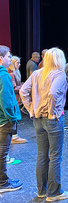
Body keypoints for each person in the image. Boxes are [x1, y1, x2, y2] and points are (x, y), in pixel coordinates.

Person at [20, 47, 68, 201]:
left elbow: (23, 91)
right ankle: (54, 193)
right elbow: (53, 93)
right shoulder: (59, 74)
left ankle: (41, 191)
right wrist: (53, 111)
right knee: (55, 156)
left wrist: (31, 109)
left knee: (42, 155)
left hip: (37, 119)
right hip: (52, 120)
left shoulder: (36, 73)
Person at [0, 45, 23, 193]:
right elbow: (6, 100)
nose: (10, 58)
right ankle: (2, 183)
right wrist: (12, 118)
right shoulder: (3, 75)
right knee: (2, 152)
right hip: (4, 120)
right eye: (8, 56)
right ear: (1, 58)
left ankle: (4, 179)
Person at [8, 57, 27, 144]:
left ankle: (14, 136)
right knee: (14, 117)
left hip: (16, 98)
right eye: (17, 63)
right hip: (14, 99)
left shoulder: (15, 73)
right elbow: (12, 88)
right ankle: (14, 137)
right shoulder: (11, 74)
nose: (19, 65)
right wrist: (21, 87)